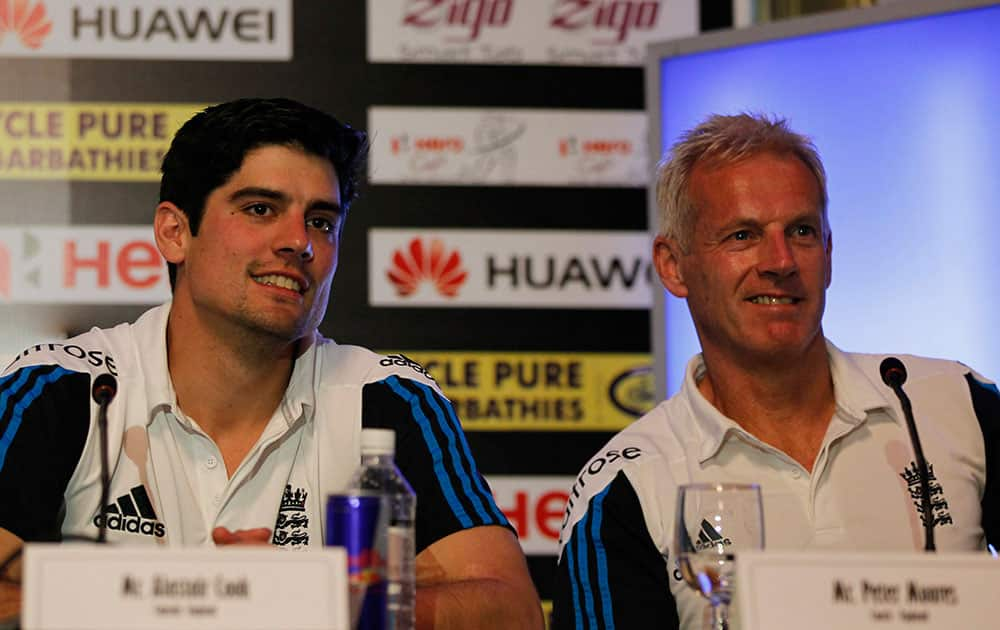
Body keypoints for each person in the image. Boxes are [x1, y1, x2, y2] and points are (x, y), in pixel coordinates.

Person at [0, 98, 543, 629]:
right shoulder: (62, 387)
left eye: (322, 221)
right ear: (174, 232)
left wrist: (317, 599)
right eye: (260, 209)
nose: (298, 242)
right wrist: (206, 602)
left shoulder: (388, 398)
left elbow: (513, 611)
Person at [550, 113, 1000, 629]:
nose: (780, 261)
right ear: (673, 265)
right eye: (743, 235)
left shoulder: (955, 403)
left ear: (828, 253)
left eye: (802, 231)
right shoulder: (629, 483)